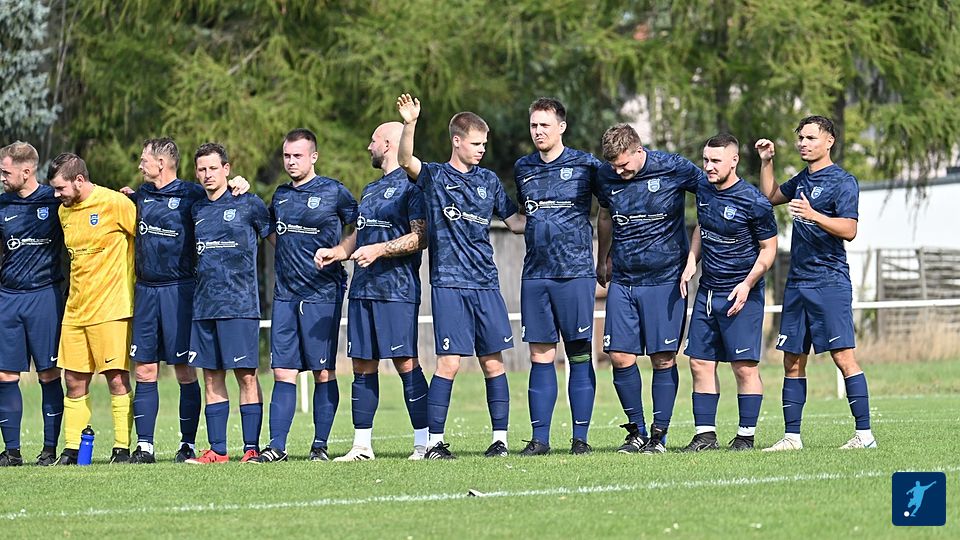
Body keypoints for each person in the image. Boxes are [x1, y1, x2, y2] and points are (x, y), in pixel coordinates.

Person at [396, 93, 525, 459]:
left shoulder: (489, 181)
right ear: (457, 141)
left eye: (484, 144)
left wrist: (552, 215)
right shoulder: (436, 176)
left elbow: (516, 223)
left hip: (486, 283)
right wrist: (410, 124)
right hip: (450, 283)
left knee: (493, 362)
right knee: (449, 363)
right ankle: (434, 443)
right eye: (476, 143)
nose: (482, 150)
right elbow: (406, 160)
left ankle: (500, 441)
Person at [124, 138, 249, 464]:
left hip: (180, 292)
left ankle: (187, 444)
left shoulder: (192, 195)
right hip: (146, 291)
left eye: (144, 160)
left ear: (161, 163)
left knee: (184, 371)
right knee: (145, 369)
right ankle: (145, 446)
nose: (140, 165)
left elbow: (223, 198)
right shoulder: (142, 194)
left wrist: (239, 183)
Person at [755, 115, 875, 450]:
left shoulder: (843, 181)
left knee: (843, 357)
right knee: (792, 359)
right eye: (801, 138)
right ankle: (792, 437)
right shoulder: (802, 179)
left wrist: (814, 215)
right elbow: (770, 196)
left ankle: (864, 436)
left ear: (829, 141)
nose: (803, 143)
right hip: (798, 283)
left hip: (829, 281)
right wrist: (767, 161)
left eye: (810, 138)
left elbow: (849, 229)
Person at [595, 123, 702, 454]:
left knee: (663, 358)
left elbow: (712, 198)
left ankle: (658, 435)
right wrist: (603, 258)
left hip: (666, 279)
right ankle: (637, 432)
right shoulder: (606, 175)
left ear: (638, 150)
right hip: (624, 278)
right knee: (619, 356)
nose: (619, 171)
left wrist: (694, 257)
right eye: (614, 166)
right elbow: (605, 216)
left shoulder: (673, 167)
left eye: (624, 164)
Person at [254, 129, 358, 463]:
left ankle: (319, 446)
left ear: (313, 157)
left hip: (322, 293)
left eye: (297, 156)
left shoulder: (334, 191)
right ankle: (277, 447)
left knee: (322, 371)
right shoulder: (281, 195)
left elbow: (360, 227)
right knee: (283, 371)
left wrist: (340, 251)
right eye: (286, 156)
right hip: (286, 294)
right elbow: (273, 232)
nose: (291, 161)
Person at [332, 122, 430, 462]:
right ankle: (362, 447)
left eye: (373, 140)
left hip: (397, 290)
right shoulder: (370, 190)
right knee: (361, 364)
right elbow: (360, 235)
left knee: (405, 363)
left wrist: (380, 250)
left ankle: (423, 444)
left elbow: (421, 237)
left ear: (388, 144)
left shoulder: (412, 186)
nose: (368, 146)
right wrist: (339, 252)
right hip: (363, 289)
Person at [512, 98, 601, 456]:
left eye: (544, 125)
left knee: (579, 353)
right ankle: (540, 440)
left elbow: (609, 208)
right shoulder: (523, 168)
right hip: (535, 275)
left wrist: (605, 258)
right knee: (540, 356)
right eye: (534, 125)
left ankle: (580, 439)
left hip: (575, 272)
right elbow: (523, 217)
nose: (538, 131)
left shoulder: (586, 165)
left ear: (561, 127)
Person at [678, 134, 777, 452]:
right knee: (699, 362)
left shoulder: (754, 201)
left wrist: (747, 284)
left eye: (715, 161)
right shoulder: (704, 190)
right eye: (705, 160)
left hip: (741, 293)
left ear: (734, 161)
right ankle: (705, 436)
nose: (708, 166)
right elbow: (702, 227)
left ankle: (745, 436)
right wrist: (692, 260)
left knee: (743, 366)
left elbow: (769, 250)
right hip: (708, 292)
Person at [184, 143, 271, 464]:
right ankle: (218, 450)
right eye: (202, 169)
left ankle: (251, 448)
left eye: (213, 168)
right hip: (204, 306)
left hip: (240, 305)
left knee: (246, 376)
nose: (207, 174)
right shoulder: (195, 209)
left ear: (226, 169)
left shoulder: (248, 203)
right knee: (211, 377)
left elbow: (275, 239)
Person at [48, 153, 136, 465]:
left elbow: (146, 240)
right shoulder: (64, 211)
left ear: (79, 180)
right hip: (75, 310)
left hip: (111, 308)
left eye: (60, 188)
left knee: (116, 378)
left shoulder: (115, 203)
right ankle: (72, 449)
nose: (56, 195)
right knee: (73, 379)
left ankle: (121, 448)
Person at [0, 142, 65, 467]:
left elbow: (91, 199)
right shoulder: (2, 204)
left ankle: (49, 450)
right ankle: (11, 452)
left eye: (5, 172)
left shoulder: (55, 200)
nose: (2, 178)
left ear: (26, 171)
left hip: (45, 297)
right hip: (8, 298)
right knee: (4, 375)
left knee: (49, 374)